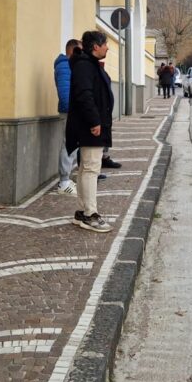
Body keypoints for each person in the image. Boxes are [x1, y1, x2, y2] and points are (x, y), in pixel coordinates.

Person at [66, 30, 115, 232]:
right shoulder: (85, 66)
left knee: (86, 168)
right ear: (96, 46)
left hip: (91, 125)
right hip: (90, 126)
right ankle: (90, 215)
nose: (107, 47)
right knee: (91, 169)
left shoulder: (87, 65)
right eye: (105, 44)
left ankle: (81, 212)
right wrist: (95, 121)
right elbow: (84, 96)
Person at [53, 39, 81, 195]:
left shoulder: (69, 65)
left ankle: (67, 178)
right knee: (68, 145)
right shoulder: (64, 66)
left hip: (72, 110)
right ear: (72, 51)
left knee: (72, 145)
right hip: (69, 111)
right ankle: (64, 182)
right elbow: (65, 94)